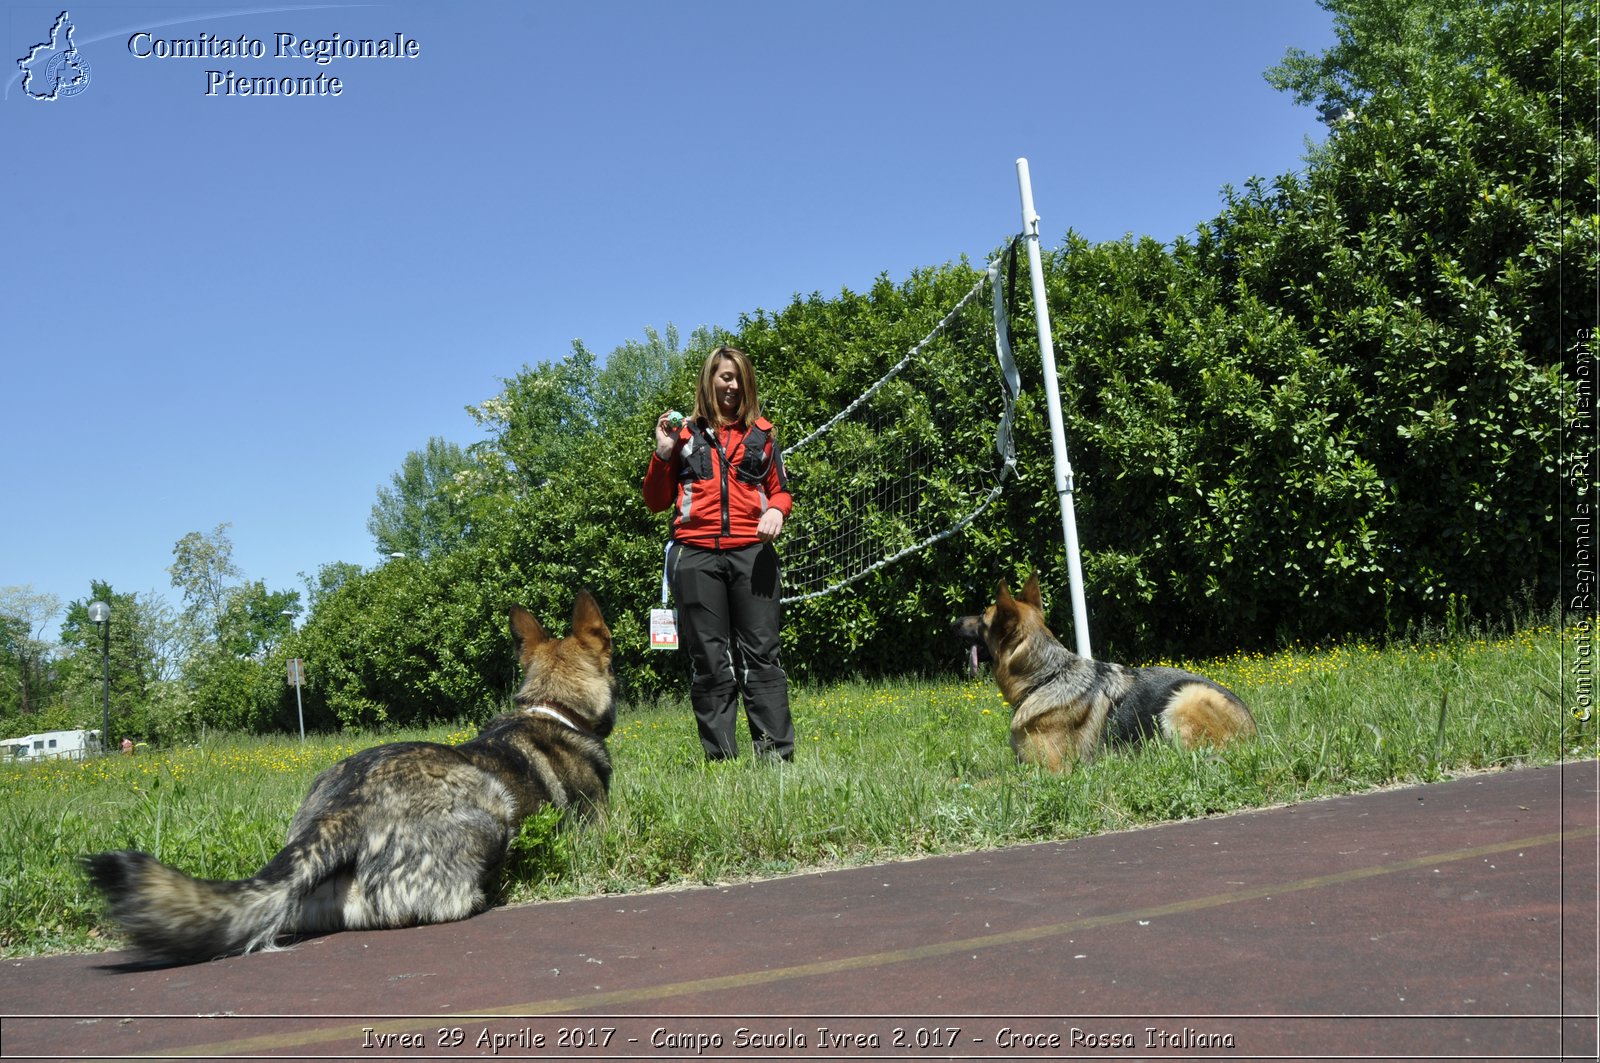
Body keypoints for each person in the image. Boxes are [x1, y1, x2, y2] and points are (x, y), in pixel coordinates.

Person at [642, 345, 797, 762]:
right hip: (694, 557)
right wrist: (662, 451)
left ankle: (775, 759)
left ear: (747, 385)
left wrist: (778, 512)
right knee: (710, 659)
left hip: (753, 554)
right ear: (709, 381)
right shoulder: (684, 435)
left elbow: (780, 490)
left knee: (762, 655)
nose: (731, 385)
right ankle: (721, 762)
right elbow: (656, 501)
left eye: (738, 377)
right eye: (724, 376)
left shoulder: (762, 436)